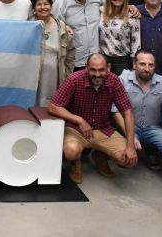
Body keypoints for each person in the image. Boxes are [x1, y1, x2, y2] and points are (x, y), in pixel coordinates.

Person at [48, 53, 138, 184]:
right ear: (86, 67)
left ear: (108, 67)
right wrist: (79, 120)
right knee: (71, 151)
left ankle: (100, 156)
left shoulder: (114, 81)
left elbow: (127, 112)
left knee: (128, 160)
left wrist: (131, 146)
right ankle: (75, 162)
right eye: (93, 70)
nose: (97, 74)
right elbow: (53, 106)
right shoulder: (74, 79)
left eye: (101, 70)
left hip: (103, 129)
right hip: (75, 129)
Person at [116, 50, 162, 170]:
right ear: (134, 64)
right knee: (123, 159)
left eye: (151, 65)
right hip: (130, 127)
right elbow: (114, 110)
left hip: (152, 128)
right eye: (142, 64)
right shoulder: (122, 80)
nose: (147, 69)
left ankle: (151, 151)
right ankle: (135, 146)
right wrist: (130, 137)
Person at [53, 0, 105, 70]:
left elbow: (112, 8)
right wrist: (64, 27)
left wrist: (129, 7)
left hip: (95, 59)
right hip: (73, 61)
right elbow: (53, 23)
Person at [30, 0, 75, 106]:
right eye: (39, 4)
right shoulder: (28, 25)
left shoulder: (62, 27)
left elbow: (70, 52)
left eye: (46, 4)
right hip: (33, 76)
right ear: (34, 8)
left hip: (55, 76)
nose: (43, 7)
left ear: (51, 6)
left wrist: (67, 75)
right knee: (33, 104)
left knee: (52, 106)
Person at [99, 0, 141, 75]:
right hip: (102, 59)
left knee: (121, 84)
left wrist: (135, 63)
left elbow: (136, 43)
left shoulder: (132, 15)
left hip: (122, 61)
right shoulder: (100, 11)